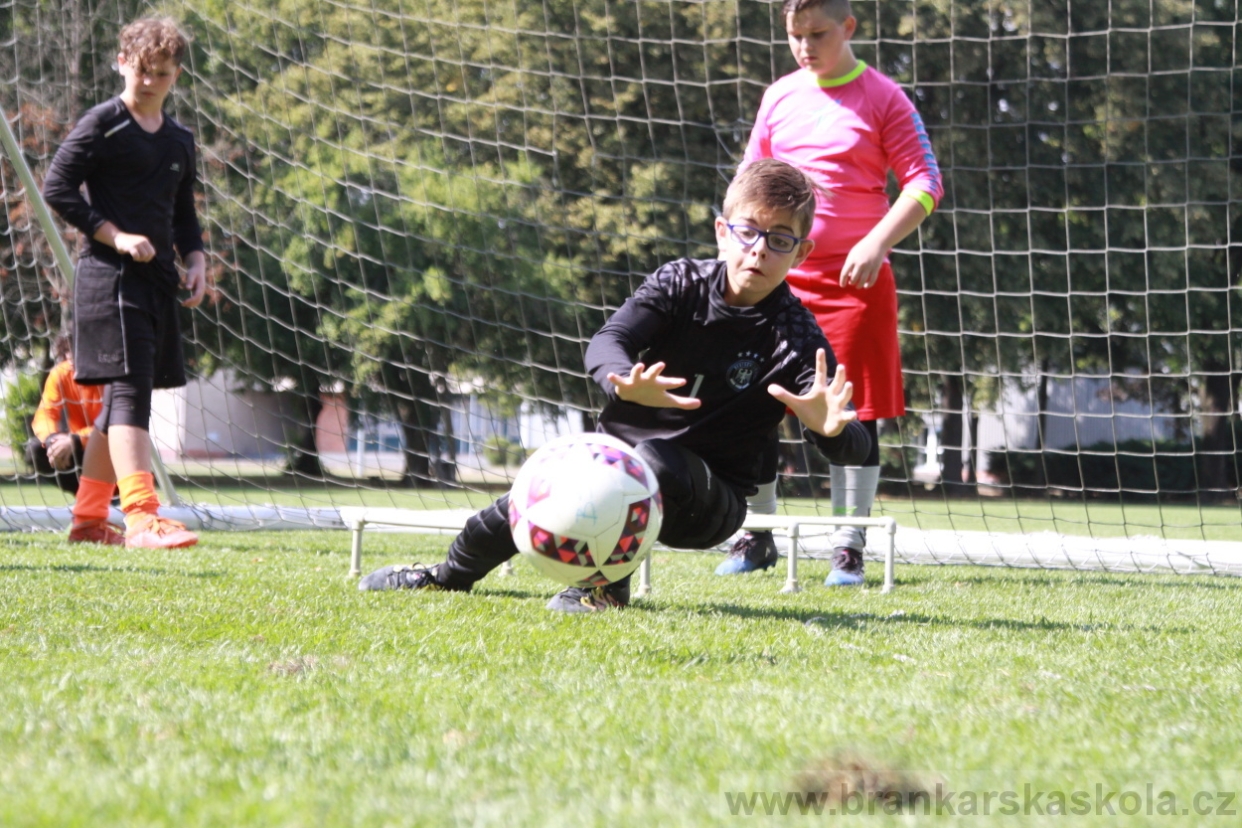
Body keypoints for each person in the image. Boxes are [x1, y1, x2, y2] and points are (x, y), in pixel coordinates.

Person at [359, 159, 873, 611]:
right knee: (530, 494)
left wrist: (828, 432)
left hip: (710, 502)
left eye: (779, 239)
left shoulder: (797, 335)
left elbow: (855, 442)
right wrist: (621, 381)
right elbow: (610, 340)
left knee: (650, 462)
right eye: (748, 232)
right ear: (722, 232)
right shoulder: (679, 283)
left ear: (801, 253)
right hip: (612, 461)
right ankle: (446, 579)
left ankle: (603, 589)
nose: (759, 250)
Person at [719, 0, 943, 585]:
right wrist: (739, 252)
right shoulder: (779, 96)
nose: (804, 46)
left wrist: (876, 243)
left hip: (857, 284)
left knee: (852, 414)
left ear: (848, 28)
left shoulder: (885, 98)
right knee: (754, 404)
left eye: (817, 33)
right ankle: (757, 535)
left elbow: (925, 182)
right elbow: (749, 183)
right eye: (795, 35)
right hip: (778, 281)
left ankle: (849, 546)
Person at [43, 16, 207, 549]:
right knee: (132, 395)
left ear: (175, 75)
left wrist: (197, 258)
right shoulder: (102, 123)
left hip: (157, 284)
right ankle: (142, 517)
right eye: (140, 71)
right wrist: (115, 236)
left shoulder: (180, 140)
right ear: (122, 64)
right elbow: (57, 188)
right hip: (109, 280)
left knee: (119, 404)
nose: (149, 82)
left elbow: (183, 212)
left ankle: (89, 522)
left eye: (160, 73)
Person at [24, 334, 104, 496]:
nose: (71, 361)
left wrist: (76, 439)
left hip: (110, 448)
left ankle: (111, 499)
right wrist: (52, 439)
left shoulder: (112, 375)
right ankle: (86, 501)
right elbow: (45, 414)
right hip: (79, 451)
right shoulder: (61, 373)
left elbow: (116, 424)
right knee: (35, 450)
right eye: (68, 353)